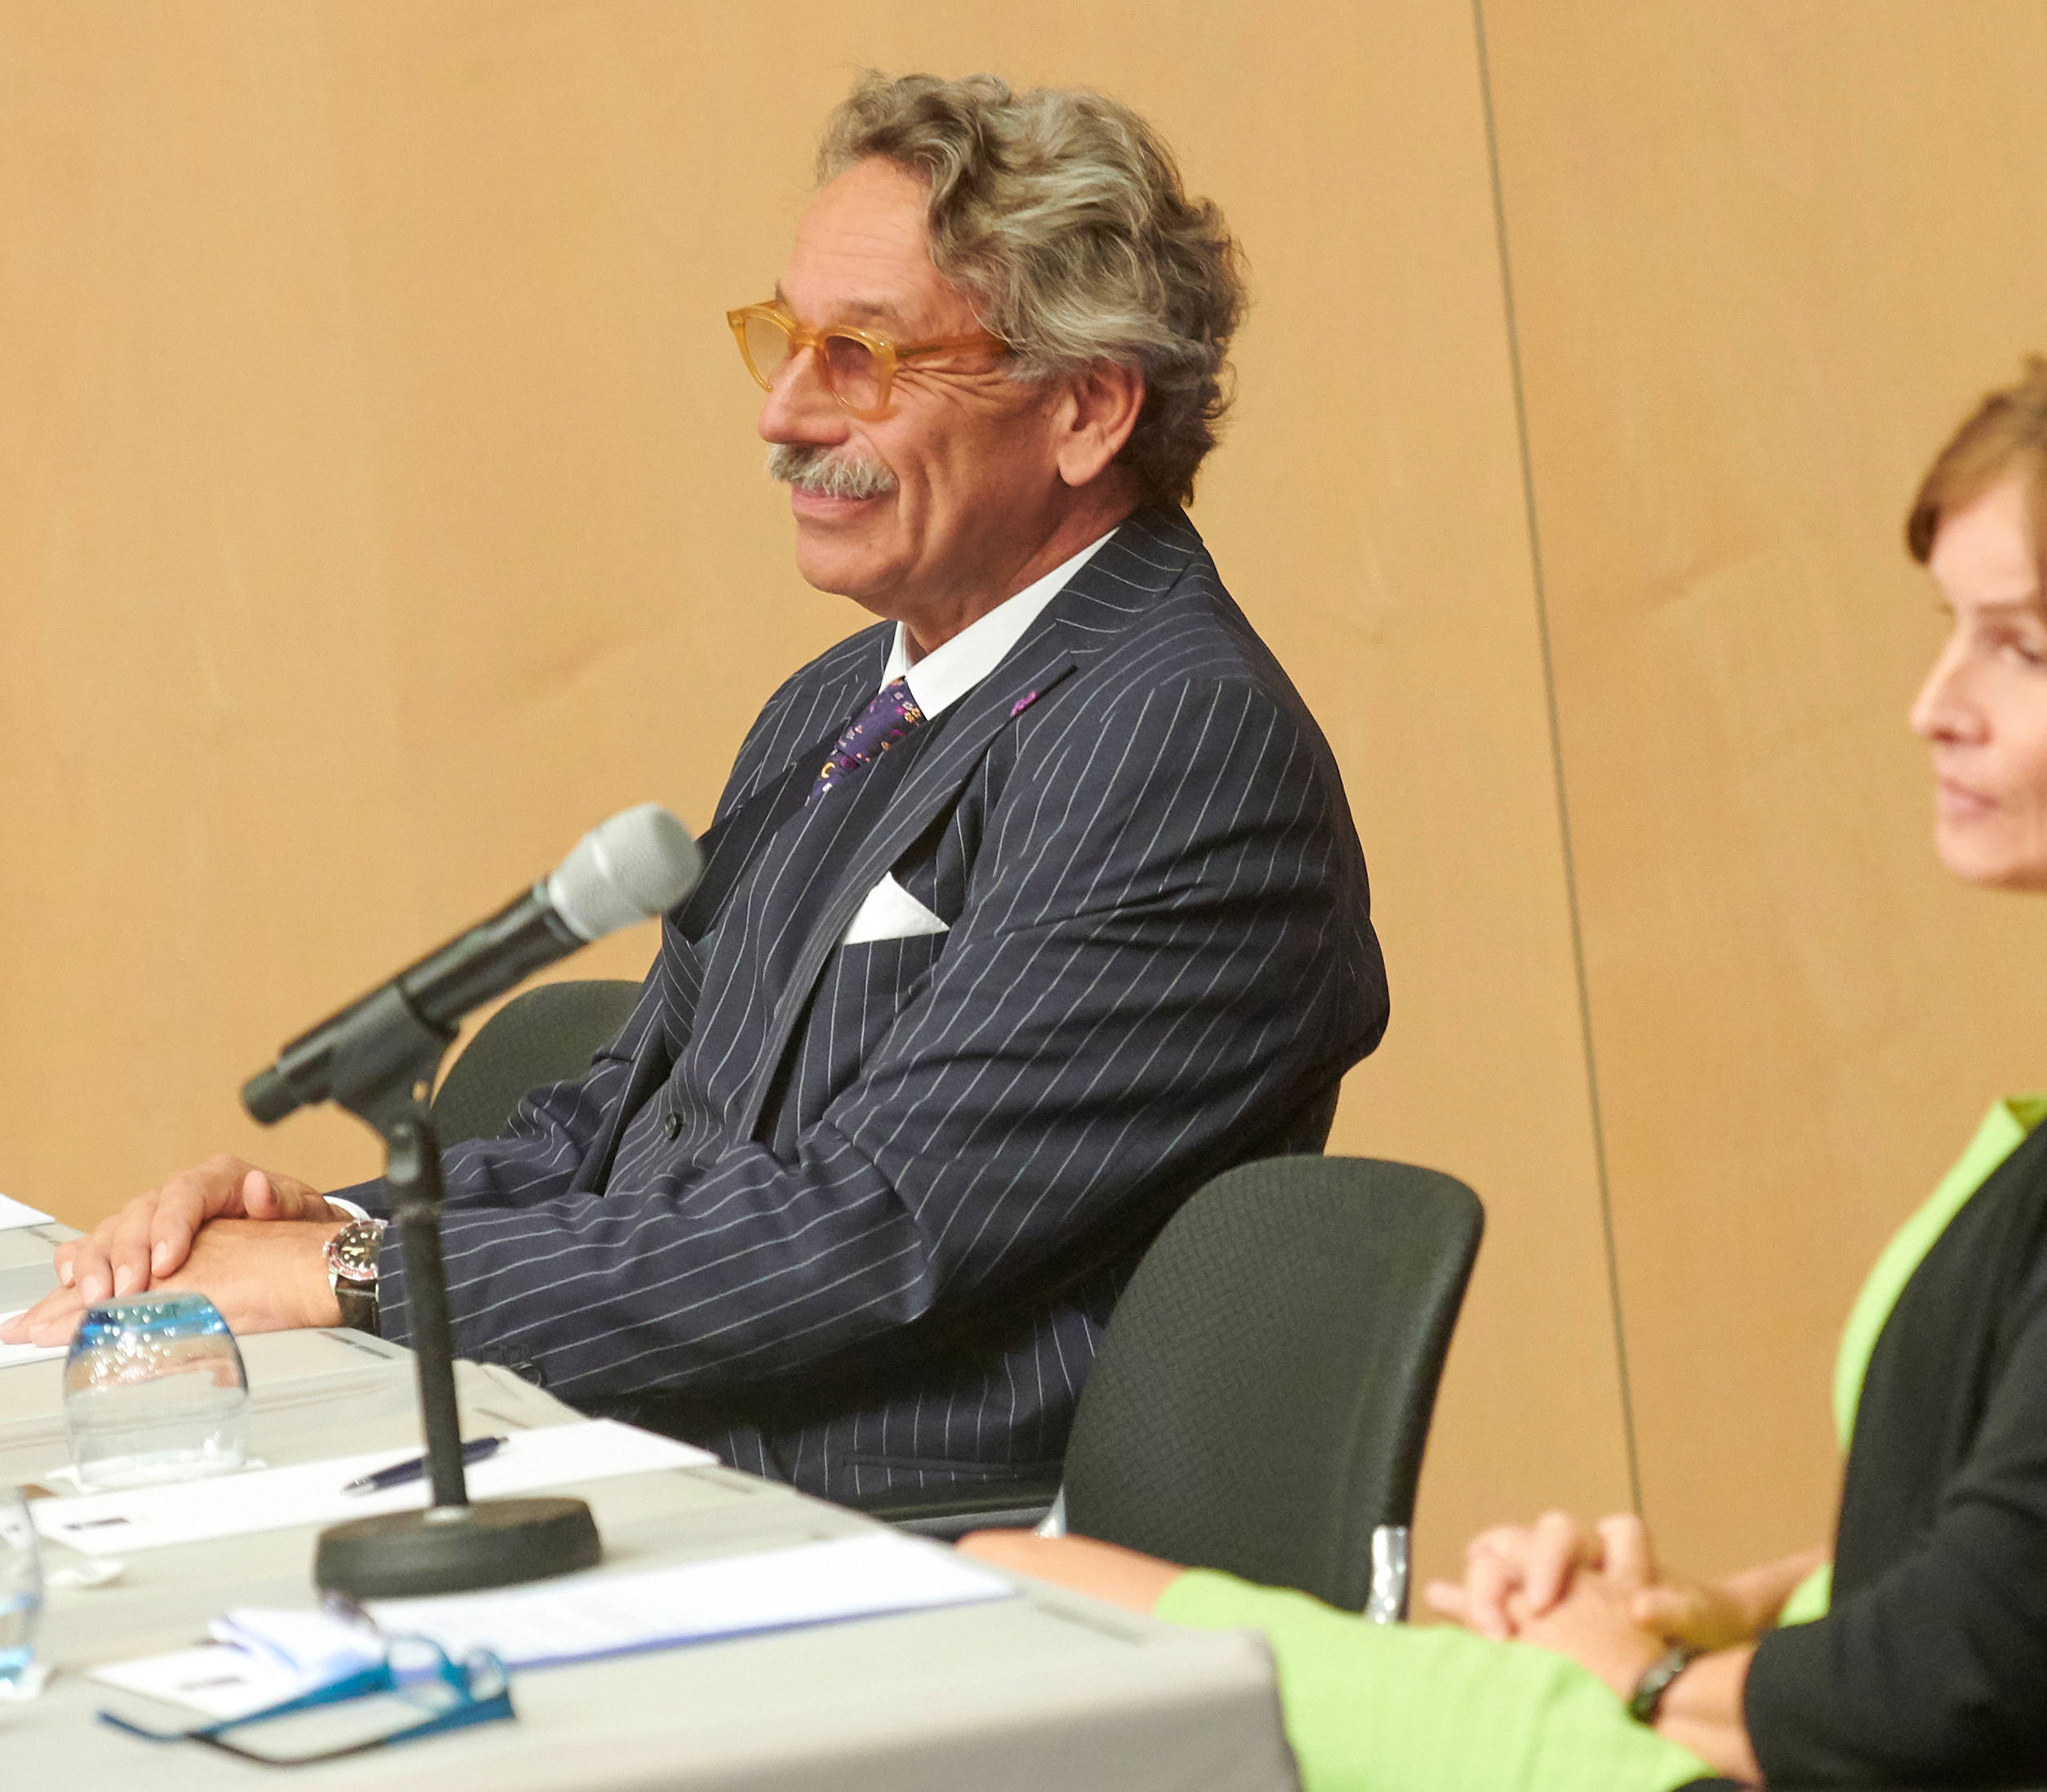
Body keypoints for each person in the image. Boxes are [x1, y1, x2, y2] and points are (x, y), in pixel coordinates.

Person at [963, 338, 2047, 1789]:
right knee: (1031, 1595)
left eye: (2023, 652)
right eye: (1949, 634)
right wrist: (1710, 1617)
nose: (1936, 709)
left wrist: (1643, 1680)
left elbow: (1963, 1680)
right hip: (1804, 1743)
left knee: (1026, 1594)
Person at [2, 73, 1388, 1510]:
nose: (784, 412)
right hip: (665, 1461)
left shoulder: (1178, 741)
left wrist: (350, 1277)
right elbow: (617, 1133)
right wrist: (307, 1227)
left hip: (897, 1535)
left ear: (1086, 408)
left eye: (861, 357)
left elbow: (867, 1230)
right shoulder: (838, 700)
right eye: (785, 341)